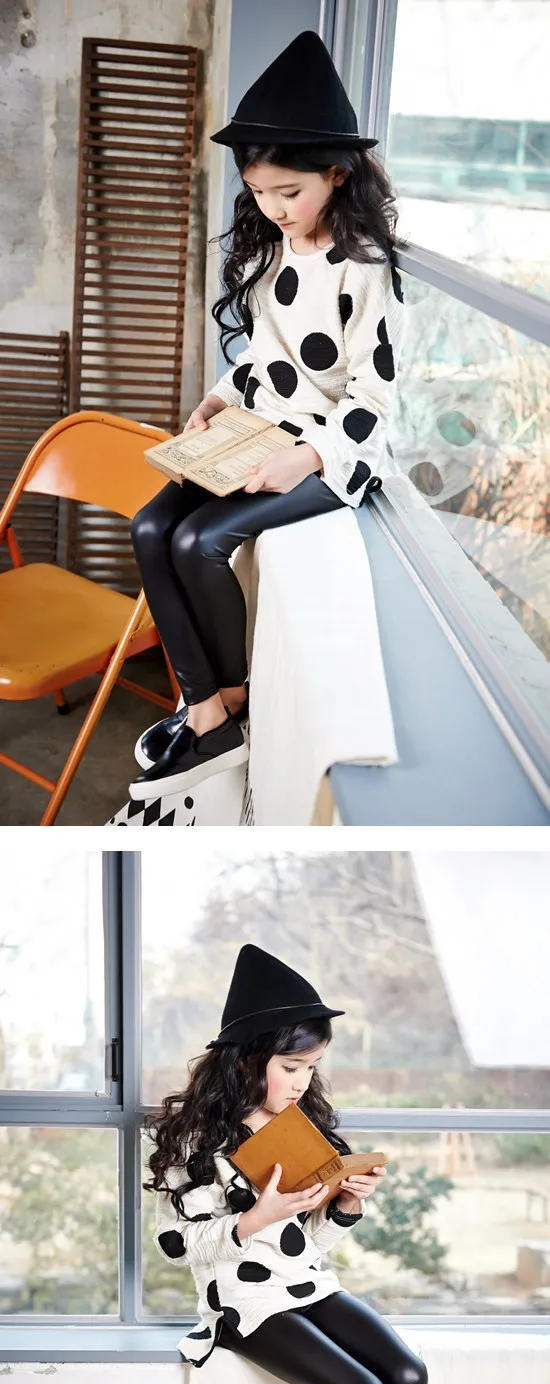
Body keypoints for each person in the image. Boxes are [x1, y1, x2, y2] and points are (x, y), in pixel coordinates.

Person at [149, 935, 467, 1384]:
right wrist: (253, 1219)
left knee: (407, 1375)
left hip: (309, 1285)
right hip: (243, 1306)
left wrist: (344, 1206)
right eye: (291, 1066)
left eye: (311, 1067)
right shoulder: (196, 1139)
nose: (301, 1081)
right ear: (247, 1058)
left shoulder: (301, 1124)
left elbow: (305, 1242)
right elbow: (177, 1245)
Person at [127, 30, 404, 809]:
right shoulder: (272, 252)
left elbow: (374, 400)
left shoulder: (364, 269)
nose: (273, 209)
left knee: (201, 540)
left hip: (333, 452)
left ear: (337, 173)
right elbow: (265, 355)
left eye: (289, 192)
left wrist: (306, 458)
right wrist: (220, 397)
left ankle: (223, 706)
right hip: (259, 425)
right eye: (258, 192)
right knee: (150, 528)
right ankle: (209, 712)